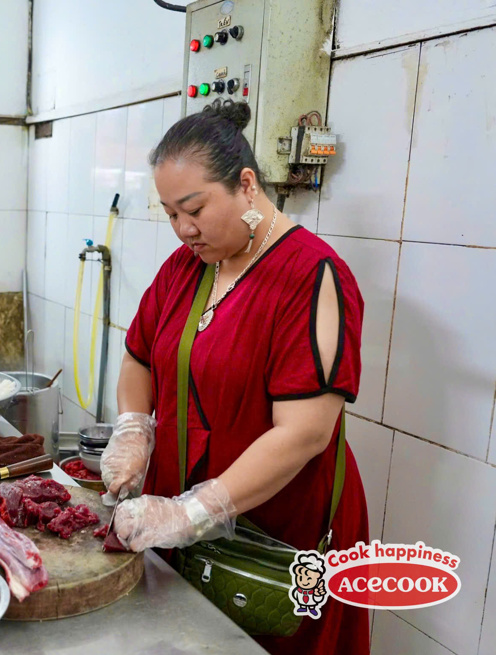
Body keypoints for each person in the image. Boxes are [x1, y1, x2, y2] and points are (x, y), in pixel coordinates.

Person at [101, 102, 369, 655]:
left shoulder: (313, 277)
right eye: (170, 213)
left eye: (194, 208)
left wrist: (193, 511)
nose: (183, 229)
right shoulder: (187, 266)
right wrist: (132, 428)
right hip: (188, 530)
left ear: (246, 185)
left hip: (273, 535)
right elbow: (139, 356)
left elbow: (305, 433)